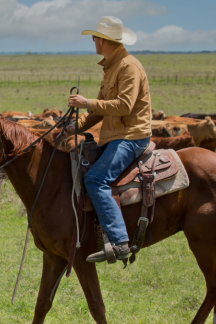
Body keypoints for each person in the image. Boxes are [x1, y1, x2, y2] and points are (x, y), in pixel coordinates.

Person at [67, 16, 152, 263]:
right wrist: (74, 126)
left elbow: (124, 106)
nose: (93, 41)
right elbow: (101, 111)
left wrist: (87, 103)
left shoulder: (129, 67)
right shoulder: (111, 67)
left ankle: (119, 241)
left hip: (131, 137)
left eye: (95, 37)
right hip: (115, 136)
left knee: (95, 179)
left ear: (103, 40)